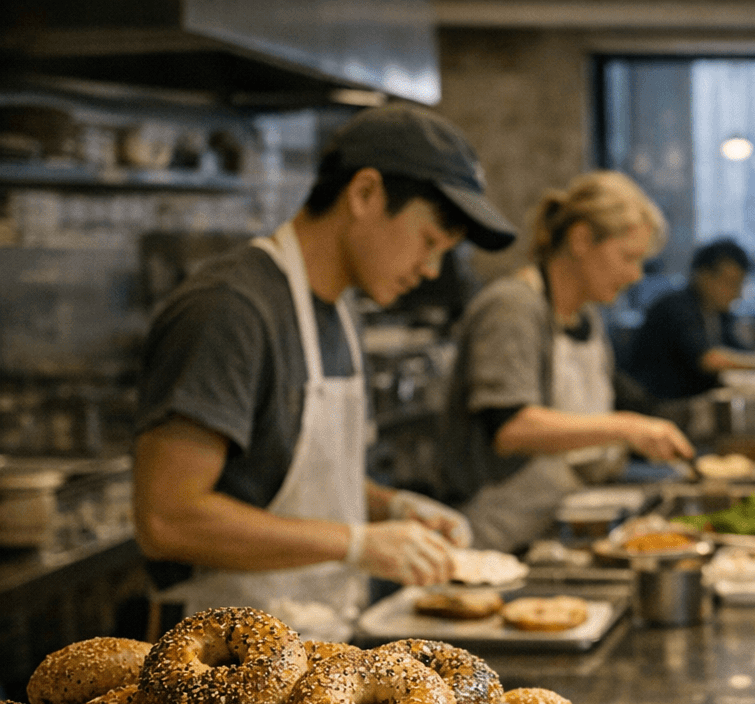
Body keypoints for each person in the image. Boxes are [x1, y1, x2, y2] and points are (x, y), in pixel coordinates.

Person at [133, 104, 518, 637]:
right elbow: (167, 519)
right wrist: (356, 544)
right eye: (429, 242)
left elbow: (288, 475)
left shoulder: (339, 310)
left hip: (317, 645)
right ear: (364, 194)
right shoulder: (230, 309)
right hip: (220, 661)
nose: (431, 271)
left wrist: (393, 510)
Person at [441, 170, 694, 551]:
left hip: (558, 525)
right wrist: (626, 428)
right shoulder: (514, 307)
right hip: (495, 536)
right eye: (628, 257)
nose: (634, 275)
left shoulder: (586, 317)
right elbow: (512, 429)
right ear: (581, 239)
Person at [623, 238, 755, 403]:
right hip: (661, 407)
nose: (736, 293)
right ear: (702, 275)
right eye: (730, 283)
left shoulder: (717, 313)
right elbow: (710, 360)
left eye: (739, 284)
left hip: (693, 406)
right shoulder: (676, 307)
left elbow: (738, 351)